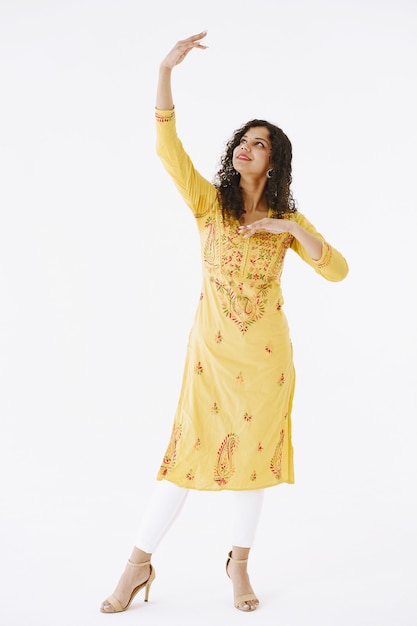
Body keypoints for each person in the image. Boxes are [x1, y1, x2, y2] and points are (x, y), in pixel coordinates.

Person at [100, 31, 349, 614]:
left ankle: (239, 564)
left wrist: (290, 231)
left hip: (266, 364)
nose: (245, 146)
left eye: (258, 144)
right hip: (210, 360)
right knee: (183, 461)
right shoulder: (209, 203)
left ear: (274, 160)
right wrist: (165, 70)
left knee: (253, 464)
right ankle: (136, 566)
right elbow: (168, 151)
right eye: (243, 138)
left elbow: (337, 270)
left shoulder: (288, 220)